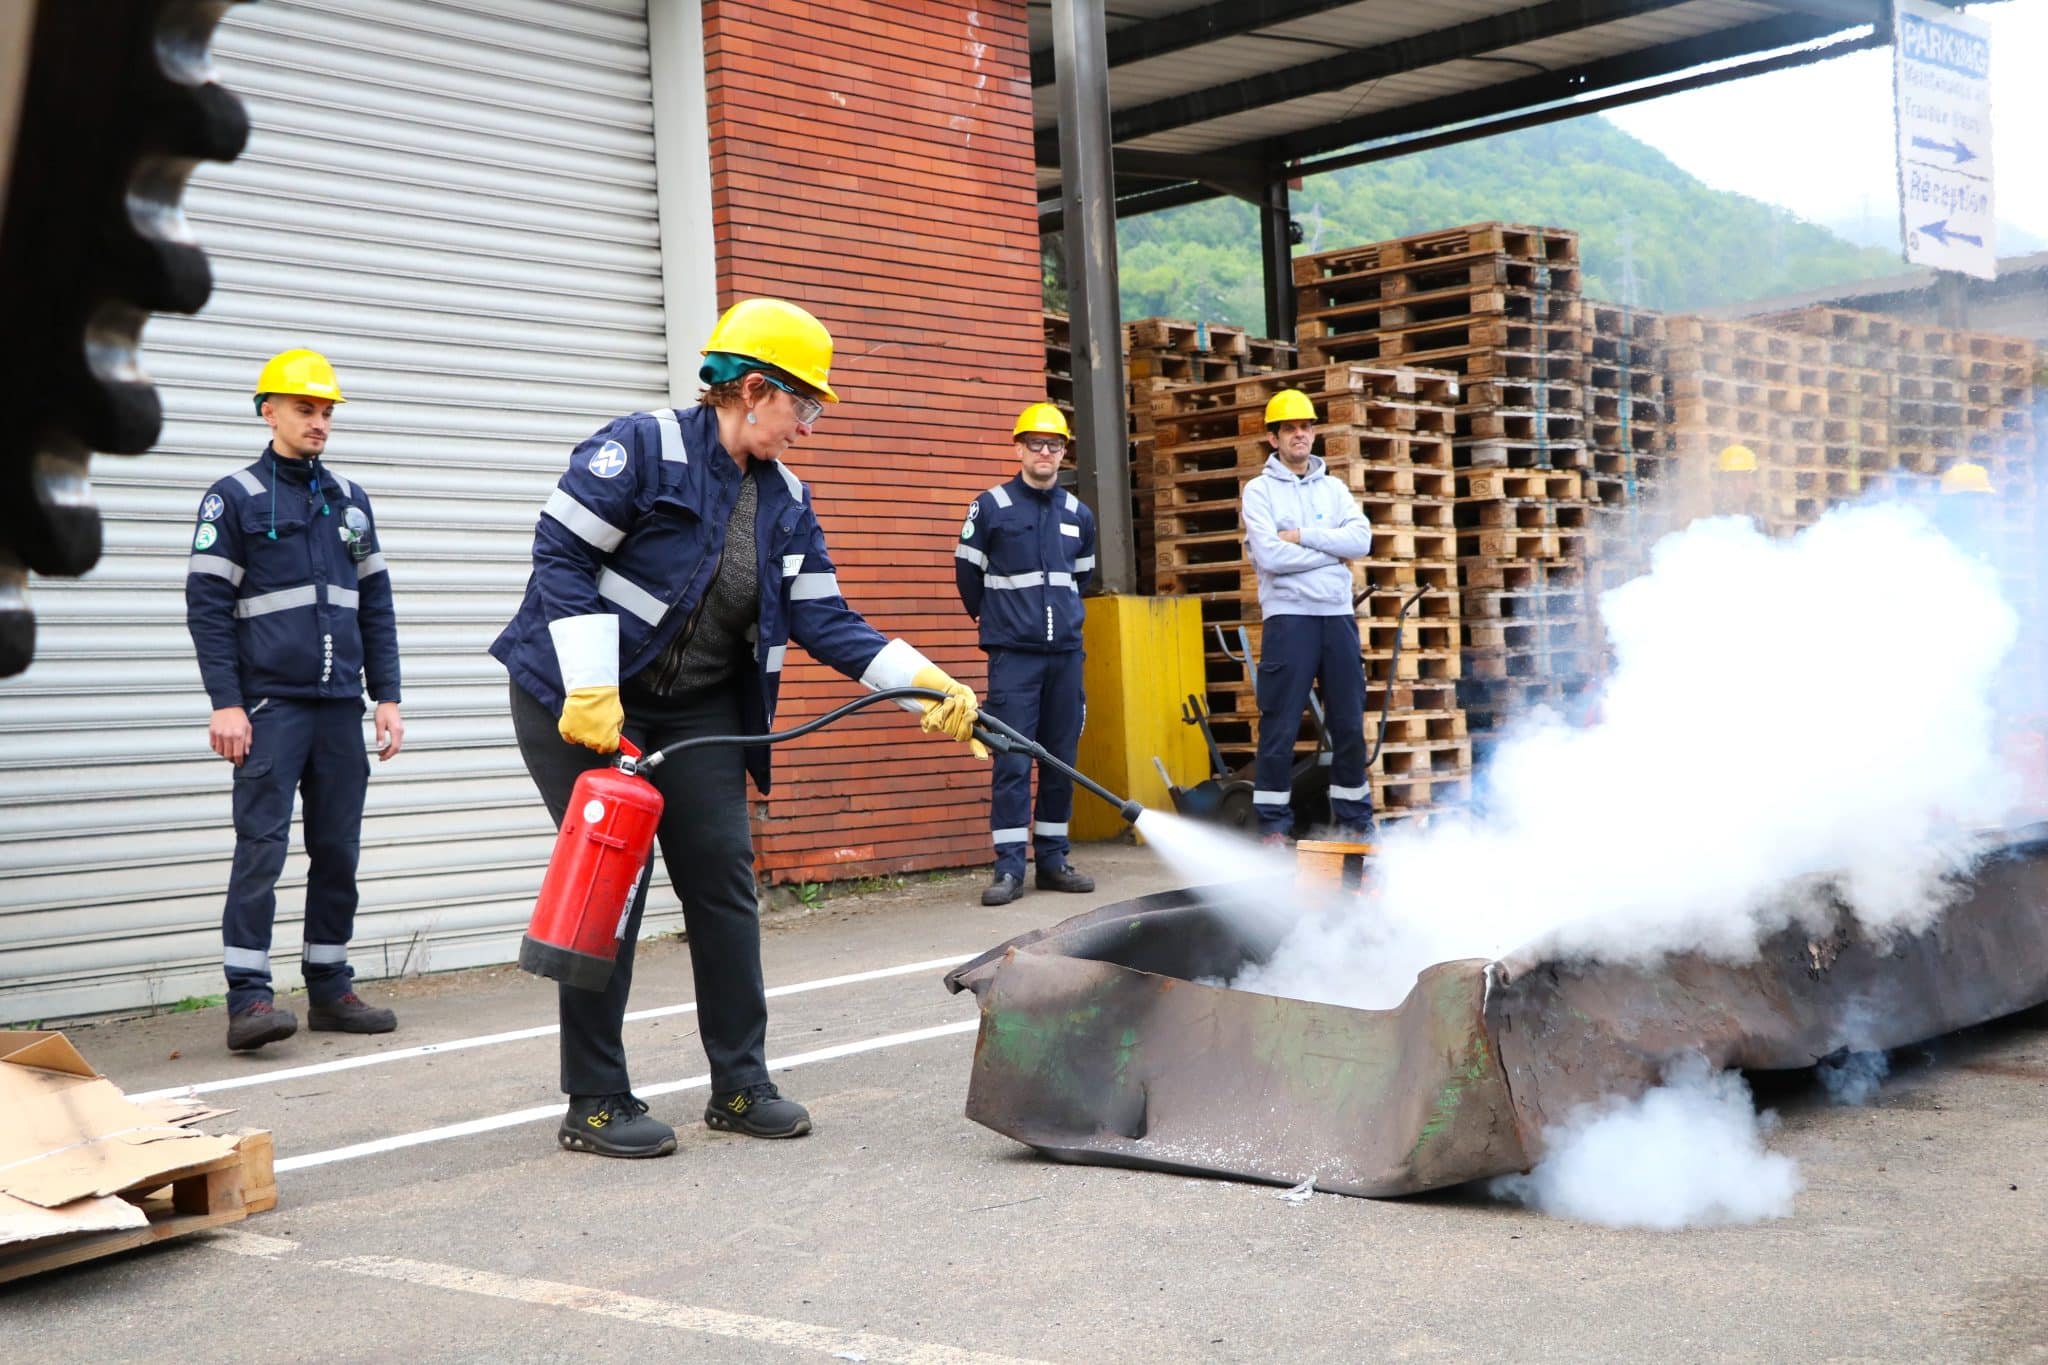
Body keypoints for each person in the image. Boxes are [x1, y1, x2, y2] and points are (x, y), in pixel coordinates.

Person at [492, 297, 984, 1159]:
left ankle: (740, 1081)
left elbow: (829, 622)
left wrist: (925, 687)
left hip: (699, 709)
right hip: (579, 695)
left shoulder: (787, 500)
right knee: (614, 880)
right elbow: (560, 557)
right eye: (805, 405)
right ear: (753, 390)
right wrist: (591, 685)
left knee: (722, 879)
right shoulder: (641, 449)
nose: (809, 426)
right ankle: (596, 1098)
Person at [184, 348, 404, 1053]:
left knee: (337, 850)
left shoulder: (349, 501)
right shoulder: (235, 497)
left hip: (340, 707)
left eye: (327, 411)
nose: (319, 422)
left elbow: (376, 605)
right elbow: (208, 605)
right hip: (271, 709)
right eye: (305, 409)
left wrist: (387, 696)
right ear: (268, 410)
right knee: (262, 850)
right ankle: (249, 999)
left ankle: (330, 984)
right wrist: (227, 702)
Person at [954, 403, 1098, 906]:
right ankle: (1010, 869)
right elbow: (967, 575)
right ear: (1018, 448)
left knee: (1061, 759)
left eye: (1053, 444)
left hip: (1065, 657)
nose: (1044, 451)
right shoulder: (990, 506)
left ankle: (1053, 860)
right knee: (1012, 760)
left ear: (1063, 452)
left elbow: (1083, 579)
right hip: (1013, 656)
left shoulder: (1079, 514)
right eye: (1035, 443)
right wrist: (1000, 622)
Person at [1241, 388, 1374, 845]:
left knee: (1349, 723)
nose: (1300, 434)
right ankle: (1273, 828)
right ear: (1273, 437)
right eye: (1290, 428)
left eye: (1307, 426)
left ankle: (1355, 823)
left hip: (1336, 617)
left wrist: (1303, 537)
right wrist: (1328, 553)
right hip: (1289, 619)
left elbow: (1360, 541)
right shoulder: (1258, 492)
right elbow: (1271, 556)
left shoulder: (1334, 489)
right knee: (1279, 724)